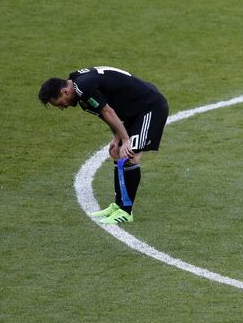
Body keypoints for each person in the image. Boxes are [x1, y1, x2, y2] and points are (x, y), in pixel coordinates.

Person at [38, 66, 169, 224]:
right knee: (117, 152)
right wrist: (117, 138)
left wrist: (126, 140)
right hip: (134, 112)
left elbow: (108, 112)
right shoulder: (80, 91)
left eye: (59, 103)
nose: (62, 107)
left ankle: (126, 212)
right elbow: (104, 114)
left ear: (65, 91)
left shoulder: (82, 87)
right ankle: (118, 205)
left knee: (130, 155)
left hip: (150, 107)